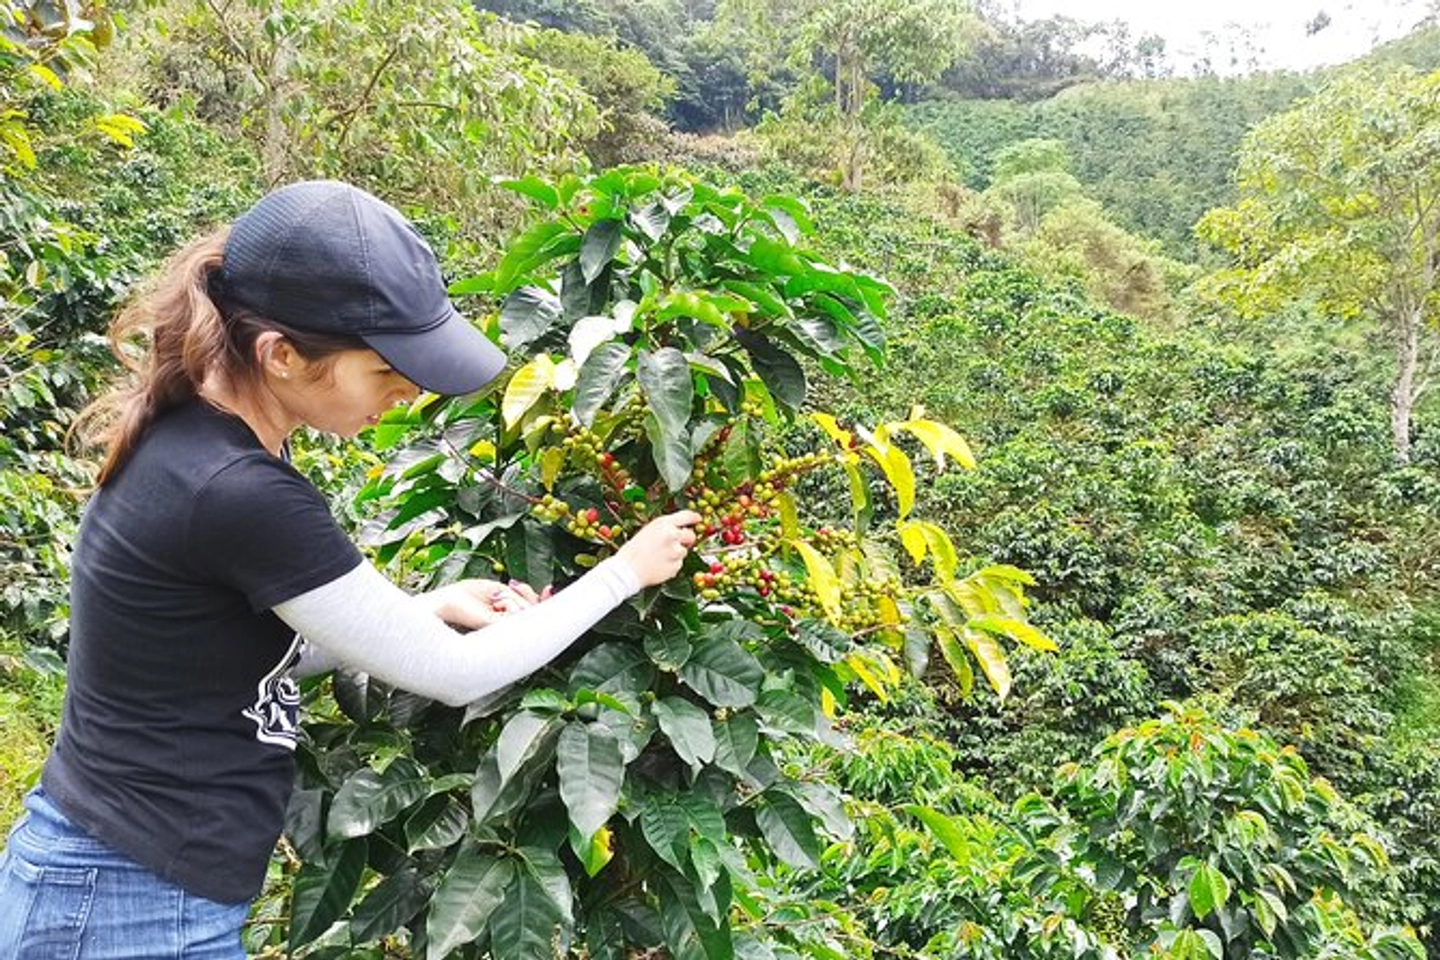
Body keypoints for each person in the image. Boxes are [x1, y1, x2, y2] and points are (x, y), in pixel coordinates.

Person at [0, 180, 699, 959]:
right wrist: (624, 572)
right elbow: (457, 675)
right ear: (281, 355)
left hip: (128, 883)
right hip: (125, 908)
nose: (406, 394)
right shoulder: (236, 490)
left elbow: (222, 650)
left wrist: (422, 609)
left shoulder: (204, 437)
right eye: (386, 371)